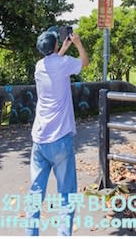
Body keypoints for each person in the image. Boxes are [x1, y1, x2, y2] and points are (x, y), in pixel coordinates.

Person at [26, 27, 89, 236]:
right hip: (61, 139)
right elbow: (84, 63)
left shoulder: (39, 66)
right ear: (54, 45)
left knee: (35, 192)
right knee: (66, 194)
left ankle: (31, 233)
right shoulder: (63, 64)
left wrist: (61, 49)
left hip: (39, 139)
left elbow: (53, 63)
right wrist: (77, 43)